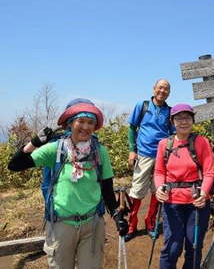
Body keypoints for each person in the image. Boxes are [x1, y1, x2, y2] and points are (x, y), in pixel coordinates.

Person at [8, 99, 127, 269]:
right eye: (81, 121)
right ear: (70, 124)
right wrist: (35, 142)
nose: (86, 127)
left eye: (90, 122)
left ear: (95, 126)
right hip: (60, 225)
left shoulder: (100, 152)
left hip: (92, 224)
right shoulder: (56, 149)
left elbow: (107, 188)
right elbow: (14, 165)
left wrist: (117, 215)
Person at [154, 104, 214, 269]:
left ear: (192, 120)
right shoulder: (164, 144)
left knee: (194, 245)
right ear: (172, 121)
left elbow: (209, 172)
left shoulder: (201, 142)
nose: (183, 122)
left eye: (187, 117)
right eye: (179, 118)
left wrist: (203, 194)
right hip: (172, 202)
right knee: (172, 246)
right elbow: (159, 172)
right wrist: (159, 188)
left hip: (196, 203)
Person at [126, 79, 174, 241]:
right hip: (144, 154)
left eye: (166, 89)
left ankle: (150, 223)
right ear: (154, 89)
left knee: (157, 190)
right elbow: (132, 128)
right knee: (137, 191)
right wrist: (132, 150)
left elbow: (173, 135)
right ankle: (131, 225)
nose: (162, 91)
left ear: (169, 92)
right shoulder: (143, 106)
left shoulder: (170, 111)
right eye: (160, 87)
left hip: (162, 156)